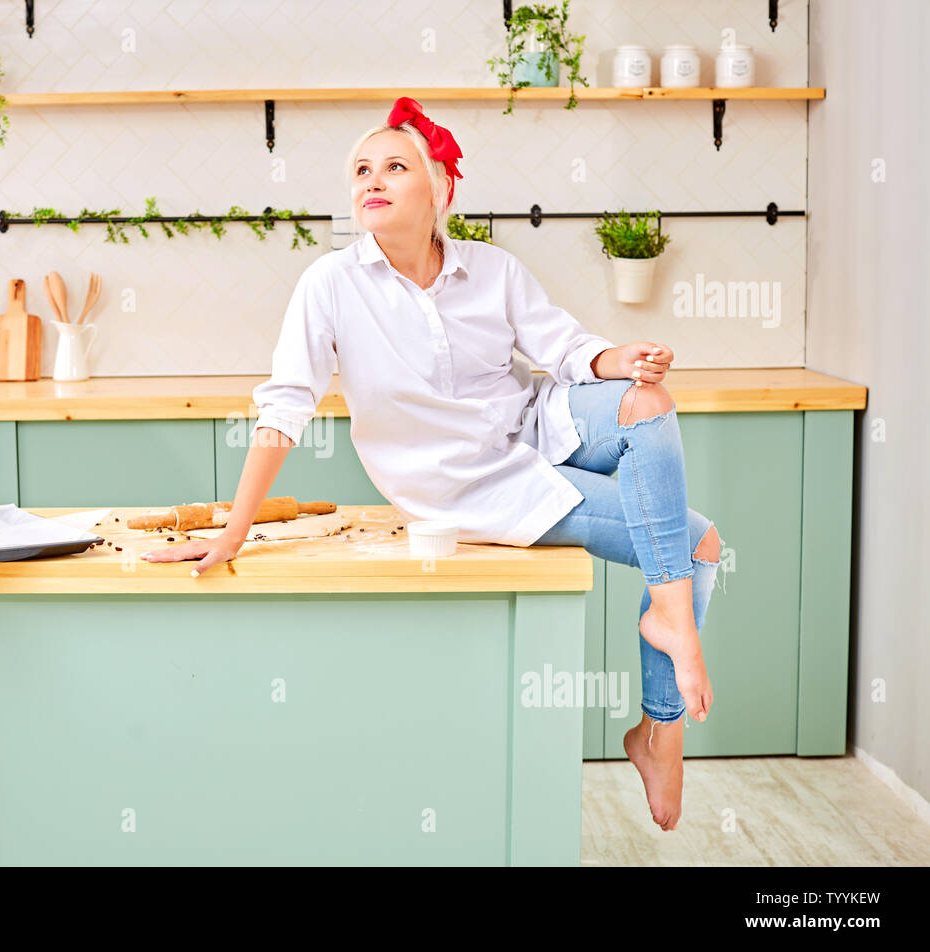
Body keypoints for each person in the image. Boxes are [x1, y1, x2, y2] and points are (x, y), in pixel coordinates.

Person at [140, 97, 721, 831]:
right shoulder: (331, 285)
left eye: (394, 165)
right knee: (697, 546)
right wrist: (233, 529)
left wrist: (617, 359)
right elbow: (286, 406)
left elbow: (568, 351)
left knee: (649, 399)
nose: (371, 179)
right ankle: (659, 731)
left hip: (534, 426)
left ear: (441, 189)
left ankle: (667, 632)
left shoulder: (494, 270)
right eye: (360, 169)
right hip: (468, 488)